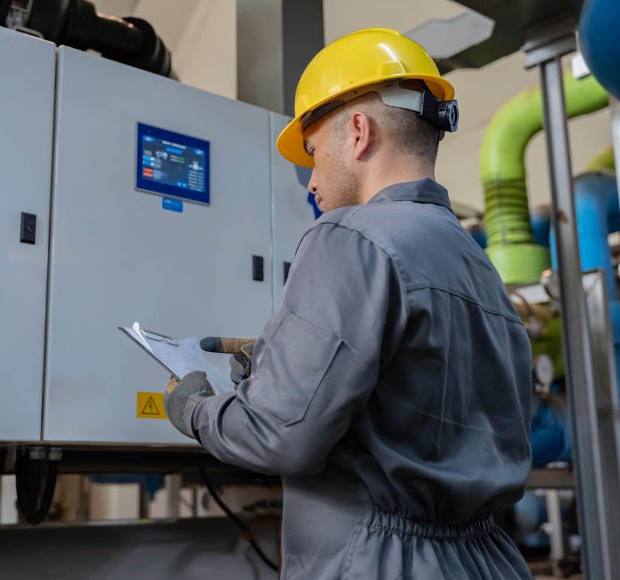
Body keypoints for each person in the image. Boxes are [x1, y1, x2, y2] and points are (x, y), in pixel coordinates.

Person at [164, 28, 532, 579]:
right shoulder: (477, 266)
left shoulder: (350, 236)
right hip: (489, 561)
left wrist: (196, 409)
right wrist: (280, 363)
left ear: (358, 132)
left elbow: (279, 435)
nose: (310, 182)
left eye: (312, 154)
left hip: (380, 564)